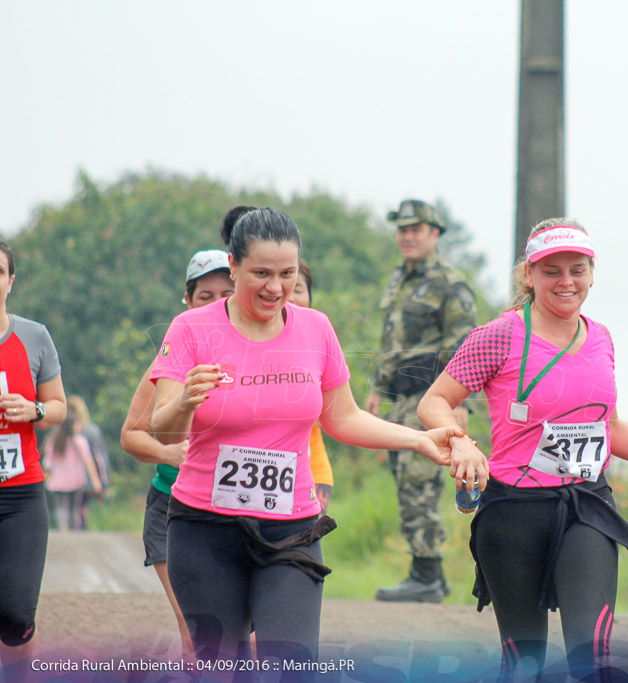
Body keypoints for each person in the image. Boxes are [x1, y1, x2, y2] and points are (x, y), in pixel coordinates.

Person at [149, 206, 461, 670]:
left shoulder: (316, 329)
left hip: (290, 528)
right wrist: (185, 402)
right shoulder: (192, 329)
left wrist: (417, 439)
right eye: (261, 273)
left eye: (287, 274)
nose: (276, 288)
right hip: (204, 530)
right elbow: (164, 428)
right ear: (232, 267)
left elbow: (345, 418)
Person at [418, 219, 628, 681]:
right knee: (523, 664)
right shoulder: (498, 335)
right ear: (528, 275)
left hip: (586, 506)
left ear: (592, 274)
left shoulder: (602, 337)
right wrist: (460, 442)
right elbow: (433, 402)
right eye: (551, 270)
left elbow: (609, 426)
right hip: (512, 511)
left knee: (593, 657)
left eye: (577, 269)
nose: (566, 281)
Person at [120, 248, 235, 658]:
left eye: (228, 293)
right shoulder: (172, 358)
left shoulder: (262, 357)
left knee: (248, 638)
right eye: (206, 296)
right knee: (199, 632)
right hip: (173, 509)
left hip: (237, 513)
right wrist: (171, 455)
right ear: (187, 301)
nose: (218, 304)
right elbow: (131, 435)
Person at [366, 198, 477, 603]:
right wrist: (377, 390)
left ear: (435, 234)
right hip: (398, 397)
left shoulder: (450, 283)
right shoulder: (400, 280)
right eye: (402, 229)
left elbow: (465, 346)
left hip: (433, 397)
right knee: (404, 478)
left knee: (420, 481)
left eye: (416, 229)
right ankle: (426, 572)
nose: (407, 236)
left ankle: (427, 573)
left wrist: (458, 404)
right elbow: (390, 342)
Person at [0, 239, 68, 681]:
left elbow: (58, 406)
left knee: (15, 614)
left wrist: (34, 410)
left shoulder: (33, 335)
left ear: (9, 281)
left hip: (21, 493)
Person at [291, 258, 334, 515]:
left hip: (313, 470)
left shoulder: (319, 341)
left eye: (298, 289)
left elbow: (343, 416)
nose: (291, 297)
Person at [43, 410, 101, 531]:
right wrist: (96, 481)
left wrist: (43, 479)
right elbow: (88, 461)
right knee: (75, 507)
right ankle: (75, 531)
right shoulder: (79, 441)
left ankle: (63, 530)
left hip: (57, 481)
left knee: (61, 507)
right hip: (76, 480)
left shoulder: (53, 442)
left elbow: (48, 464)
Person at [67, 395, 110, 529]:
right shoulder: (92, 431)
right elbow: (99, 459)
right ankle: (79, 529)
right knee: (82, 506)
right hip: (87, 479)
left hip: (66, 478)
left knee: (69, 507)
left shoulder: (61, 431)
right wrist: (104, 483)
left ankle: (70, 531)